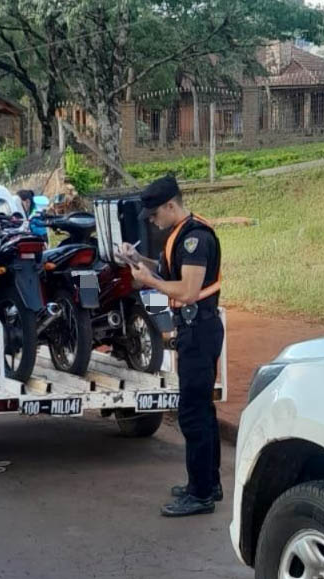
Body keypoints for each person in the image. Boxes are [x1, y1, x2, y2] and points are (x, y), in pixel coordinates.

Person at [120, 174, 224, 518]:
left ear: (170, 205)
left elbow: (188, 291)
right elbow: (169, 272)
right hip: (195, 329)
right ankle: (208, 483)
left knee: (193, 414)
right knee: (202, 409)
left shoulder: (195, 239)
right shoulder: (180, 235)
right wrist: (138, 259)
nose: (152, 221)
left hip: (199, 329)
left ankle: (200, 494)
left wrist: (148, 281)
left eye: (154, 214)